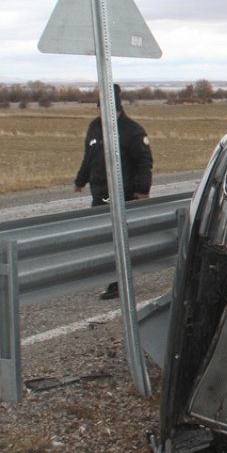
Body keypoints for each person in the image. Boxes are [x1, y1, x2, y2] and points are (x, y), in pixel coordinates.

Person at [74, 84, 154, 299]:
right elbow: (89, 156)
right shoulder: (95, 127)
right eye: (100, 108)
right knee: (102, 238)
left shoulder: (132, 130)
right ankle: (112, 278)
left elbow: (144, 162)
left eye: (106, 108)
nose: (102, 112)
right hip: (99, 192)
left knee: (118, 239)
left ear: (116, 108)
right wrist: (80, 180)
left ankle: (118, 283)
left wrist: (142, 190)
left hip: (123, 194)